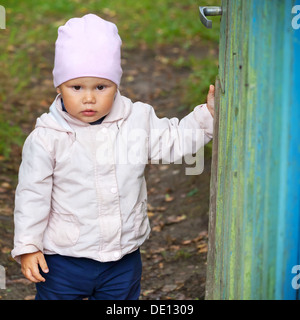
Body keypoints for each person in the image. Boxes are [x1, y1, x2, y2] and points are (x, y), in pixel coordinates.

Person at [11, 13, 215, 300]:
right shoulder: (47, 138)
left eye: (101, 87)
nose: (89, 98)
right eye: (77, 87)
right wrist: (28, 246)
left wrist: (207, 117)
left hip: (123, 258)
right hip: (62, 260)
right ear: (59, 87)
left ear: (116, 85)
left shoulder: (136, 120)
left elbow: (173, 140)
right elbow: (32, 195)